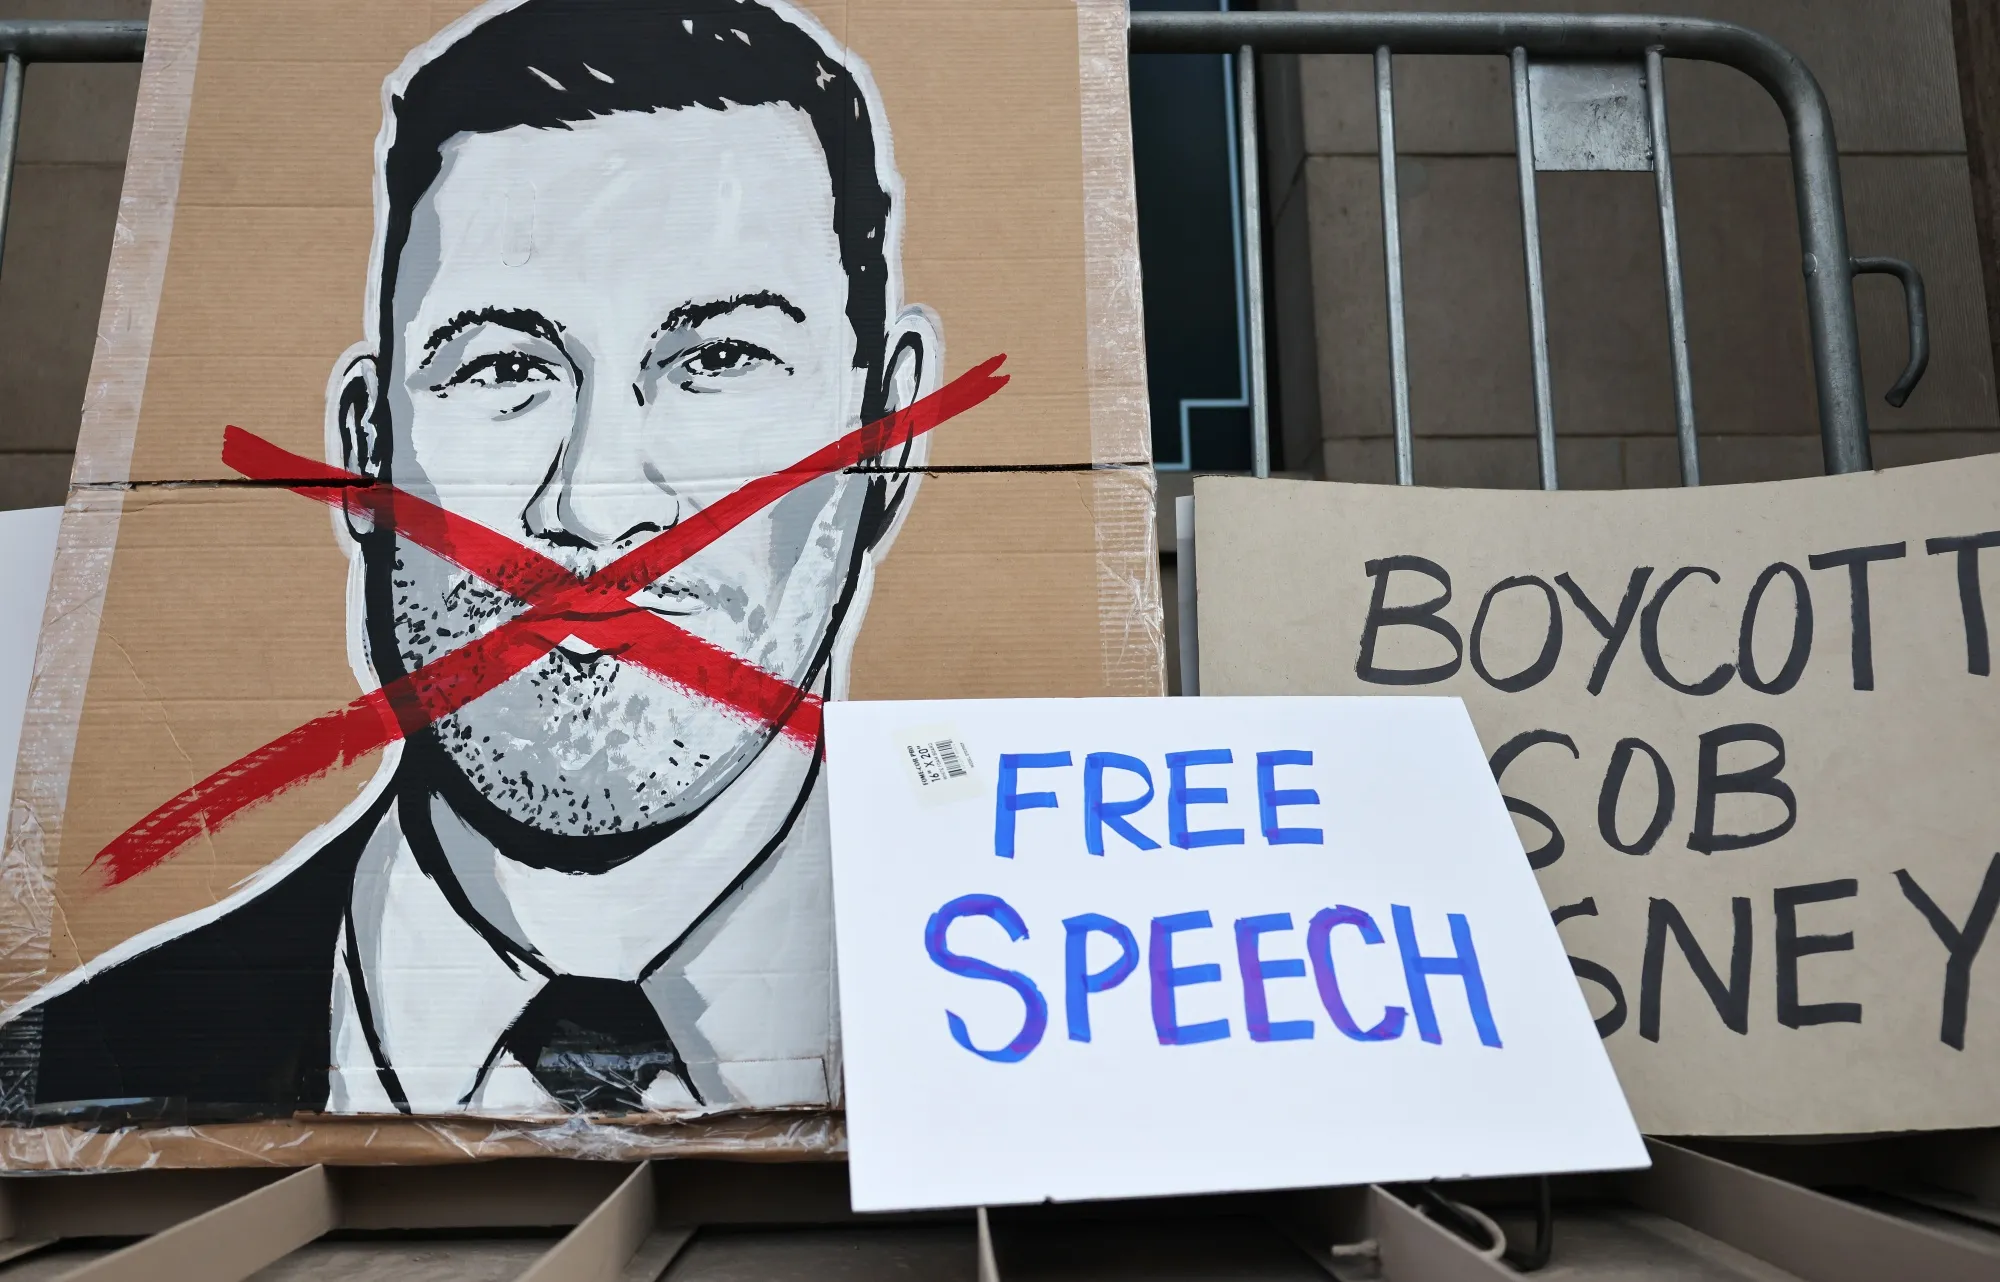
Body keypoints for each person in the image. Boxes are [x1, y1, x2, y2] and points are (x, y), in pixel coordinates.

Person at [0, 0, 940, 1122]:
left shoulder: (1063, 1060)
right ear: (365, 451)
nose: (594, 504)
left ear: (886, 434)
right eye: (502, 368)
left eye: (721, 358)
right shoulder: (64, 1089)